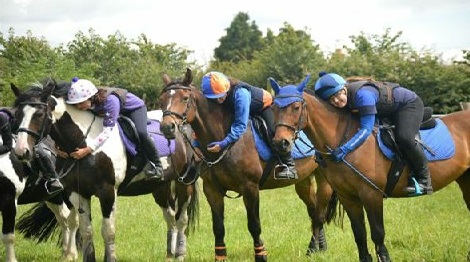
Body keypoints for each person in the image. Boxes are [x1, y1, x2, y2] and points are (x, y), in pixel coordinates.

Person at [314, 71, 433, 195]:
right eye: (332, 100)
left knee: (405, 138)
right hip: (386, 108)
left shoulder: (363, 95)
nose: (337, 102)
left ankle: (424, 181)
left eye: (337, 96)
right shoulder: (347, 98)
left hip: (408, 105)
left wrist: (345, 149)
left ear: (344, 89)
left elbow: (366, 129)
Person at [200, 71, 297, 179]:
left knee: (274, 131)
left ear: (227, 88)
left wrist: (223, 143)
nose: (219, 100)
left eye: (221, 96)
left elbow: (241, 125)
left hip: (264, 106)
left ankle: (289, 165)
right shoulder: (218, 96)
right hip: (244, 107)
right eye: (215, 98)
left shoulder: (241, 93)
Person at [65, 78, 163, 180]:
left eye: (81, 103)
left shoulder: (110, 101)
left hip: (134, 109)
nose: (78, 107)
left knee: (141, 133)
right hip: (118, 110)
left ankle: (158, 166)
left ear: (91, 97)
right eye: (76, 104)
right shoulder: (89, 102)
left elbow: (107, 131)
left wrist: (88, 150)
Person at [1, 108, 64, 195]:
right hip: (7, 135)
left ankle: (53, 179)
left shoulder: (2, 117)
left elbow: (7, 143)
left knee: (38, 150)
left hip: (20, 133)